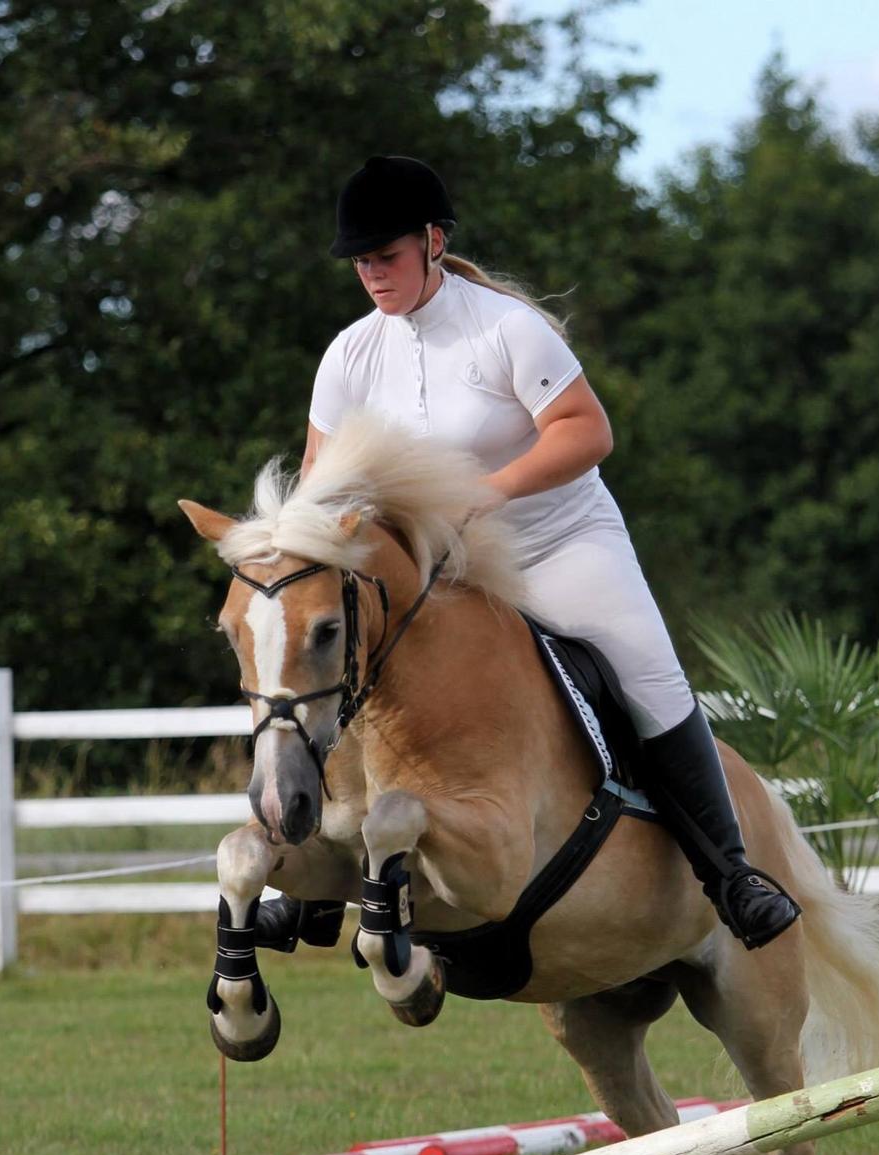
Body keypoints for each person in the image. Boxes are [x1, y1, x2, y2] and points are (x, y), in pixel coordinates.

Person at [269, 155, 800, 952]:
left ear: (434, 242)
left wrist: (493, 491)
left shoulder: (503, 327)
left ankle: (730, 875)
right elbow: (319, 479)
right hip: (441, 569)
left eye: (388, 256)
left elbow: (589, 432)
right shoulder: (349, 354)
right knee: (342, 667)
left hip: (555, 543)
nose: (373, 274)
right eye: (362, 262)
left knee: (646, 670)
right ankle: (320, 884)